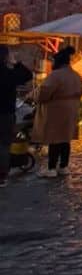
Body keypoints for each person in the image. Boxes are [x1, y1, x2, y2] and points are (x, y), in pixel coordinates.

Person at [34, 46, 82, 179]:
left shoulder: (55, 75)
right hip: (71, 110)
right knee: (65, 139)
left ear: (58, 62)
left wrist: (37, 99)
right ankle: (63, 166)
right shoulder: (76, 76)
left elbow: (44, 92)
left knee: (54, 139)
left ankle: (51, 168)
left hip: (56, 110)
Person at [0, 44, 32, 188]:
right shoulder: (9, 73)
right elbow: (27, 75)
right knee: (4, 145)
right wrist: (16, 62)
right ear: (6, 57)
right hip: (6, 114)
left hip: (6, 113)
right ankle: (1, 176)